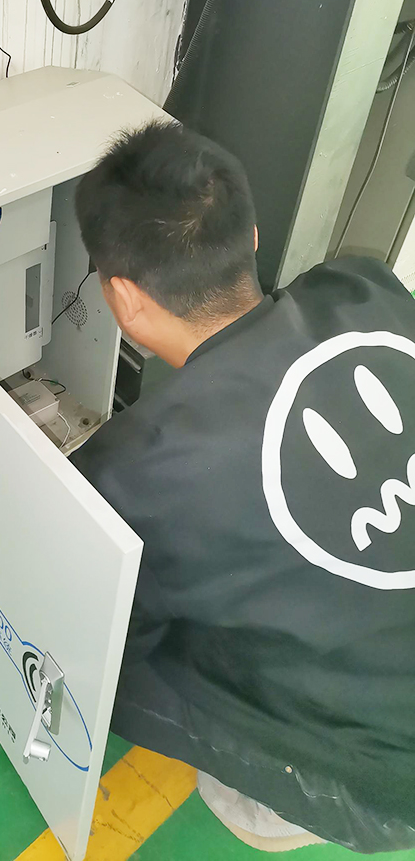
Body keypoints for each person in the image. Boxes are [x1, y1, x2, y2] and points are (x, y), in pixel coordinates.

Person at [71, 120, 415, 853]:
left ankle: (282, 804)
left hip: (387, 782)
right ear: (253, 237)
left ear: (123, 298)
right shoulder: (361, 286)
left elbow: (100, 634)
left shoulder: (136, 469)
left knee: (136, 653)